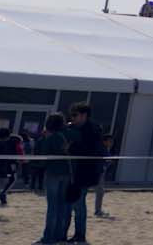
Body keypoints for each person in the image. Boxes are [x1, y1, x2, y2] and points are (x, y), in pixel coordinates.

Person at [65, 102, 105, 237]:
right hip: (77, 171)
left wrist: (70, 148)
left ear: (84, 116)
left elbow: (90, 150)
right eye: (71, 115)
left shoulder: (92, 130)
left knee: (78, 204)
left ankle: (80, 235)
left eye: (75, 115)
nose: (72, 118)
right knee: (72, 203)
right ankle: (72, 234)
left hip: (84, 172)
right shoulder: (78, 128)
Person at [37, 111, 70, 245]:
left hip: (53, 173)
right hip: (66, 173)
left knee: (52, 207)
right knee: (62, 206)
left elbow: (44, 156)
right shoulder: (66, 135)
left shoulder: (50, 137)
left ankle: (48, 236)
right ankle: (59, 235)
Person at [0, 125, 20, 207]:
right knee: (12, 179)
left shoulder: (11, 142)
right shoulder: (12, 142)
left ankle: (3, 194)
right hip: (8, 165)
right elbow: (14, 154)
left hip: (5, 166)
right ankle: (3, 194)